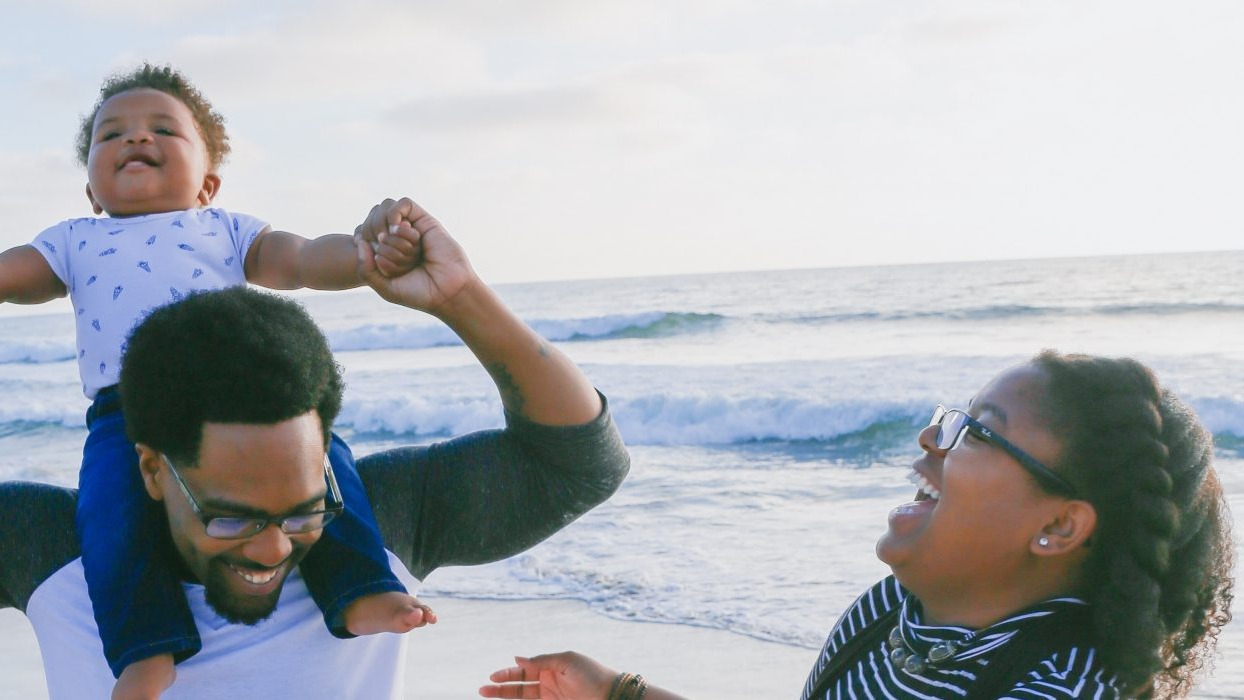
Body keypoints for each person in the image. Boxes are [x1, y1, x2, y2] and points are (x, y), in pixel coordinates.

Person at [0, 196, 630, 698]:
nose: (274, 547)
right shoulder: (53, 548)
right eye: (231, 516)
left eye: (303, 510)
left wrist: (459, 298)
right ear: (153, 469)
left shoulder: (370, 526)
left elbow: (578, 464)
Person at [0, 64, 432, 697]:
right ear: (91, 191)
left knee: (325, 472)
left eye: (161, 130)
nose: (134, 139)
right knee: (109, 516)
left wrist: (364, 257)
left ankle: (362, 591)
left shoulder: (225, 228)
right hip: (129, 414)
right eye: (110, 135)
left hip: (242, 402)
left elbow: (301, 259)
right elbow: (12, 275)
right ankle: (145, 648)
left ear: (207, 183)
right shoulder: (72, 241)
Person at [479, 352, 1233, 699]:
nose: (931, 440)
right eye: (952, 418)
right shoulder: (892, 615)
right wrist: (619, 694)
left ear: (1061, 527)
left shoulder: (1058, 689)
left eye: (978, 432)